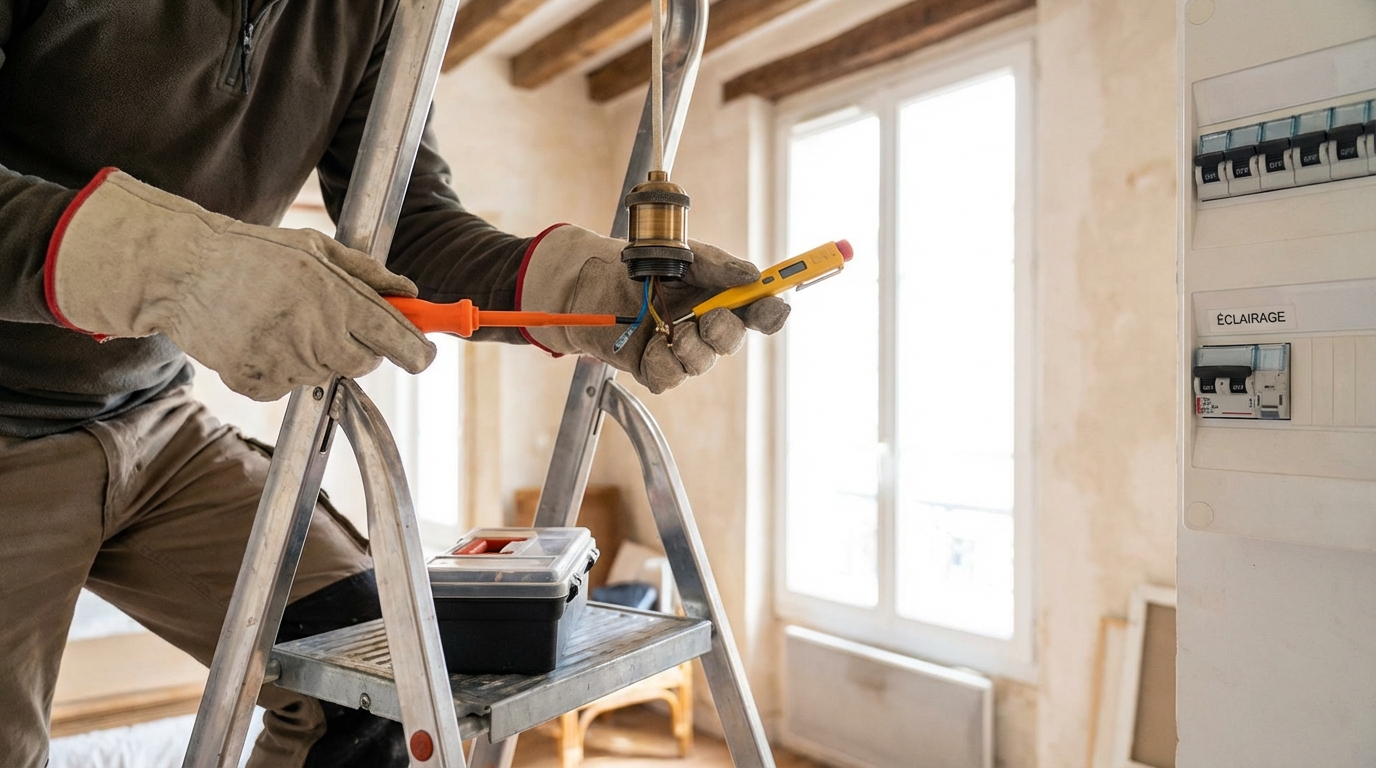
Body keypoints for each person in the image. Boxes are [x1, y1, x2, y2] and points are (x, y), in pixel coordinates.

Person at [0, 1, 789, 765]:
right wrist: (183, 268)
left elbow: (408, 227)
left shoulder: (371, 11)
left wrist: (583, 291)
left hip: (155, 416)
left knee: (383, 685)